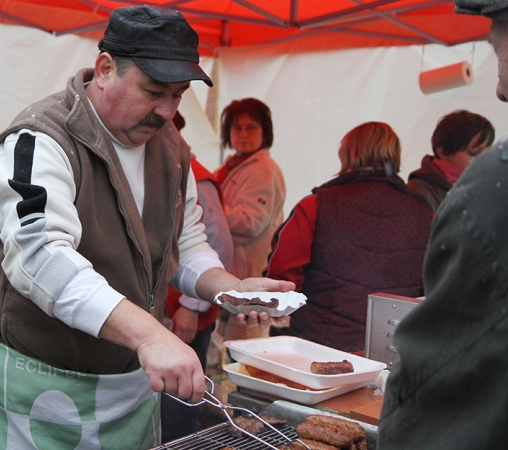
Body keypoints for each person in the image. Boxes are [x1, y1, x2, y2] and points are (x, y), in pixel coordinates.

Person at [0, 6, 294, 449]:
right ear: (105, 69)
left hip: (130, 389)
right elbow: (40, 258)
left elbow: (186, 245)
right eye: (153, 91)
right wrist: (149, 334)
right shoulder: (40, 139)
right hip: (37, 387)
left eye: (178, 95)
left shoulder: (172, 151)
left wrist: (229, 289)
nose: (166, 111)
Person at [378, 3, 508, 448]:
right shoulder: (426, 192)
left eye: (499, 50)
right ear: (443, 149)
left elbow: (443, 369)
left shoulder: (491, 188)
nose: (500, 89)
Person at [264, 122, 434, 353]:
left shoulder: (315, 206)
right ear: (395, 158)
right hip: (391, 352)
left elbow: (282, 279)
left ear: (348, 155)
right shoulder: (427, 218)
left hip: (318, 348)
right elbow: (433, 290)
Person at [160, 112, 233, 443]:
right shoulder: (164, 169)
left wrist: (190, 306)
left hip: (187, 314)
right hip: (168, 312)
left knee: (179, 398)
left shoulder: (196, 177)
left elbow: (217, 243)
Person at [214, 98, 286, 280]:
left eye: (251, 127)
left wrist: (210, 208)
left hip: (248, 278)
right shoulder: (229, 166)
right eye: (237, 128)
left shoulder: (264, 170)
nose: (243, 133)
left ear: (265, 132)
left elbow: (248, 224)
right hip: (230, 273)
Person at [407, 109, 495, 212]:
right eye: (474, 153)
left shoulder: (486, 185)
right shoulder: (419, 191)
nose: (484, 159)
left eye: (489, 152)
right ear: (443, 151)